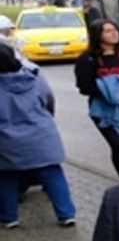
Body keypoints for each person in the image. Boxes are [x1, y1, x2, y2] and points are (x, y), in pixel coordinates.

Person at [0, 44, 76, 229]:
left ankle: (9, 217)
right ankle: (66, 214)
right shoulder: (34, 77)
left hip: (7, 139)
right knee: (53, 173)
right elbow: (48, 100)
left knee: (7, 177)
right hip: (42, 134)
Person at [74, 19, 119, 181]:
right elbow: (84, 86)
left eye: (115, 30)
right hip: (104, 110)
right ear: (97, 35)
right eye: (107, 31)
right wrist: (109, 94)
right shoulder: (87, 59)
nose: (114, 33)